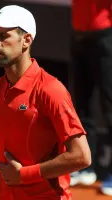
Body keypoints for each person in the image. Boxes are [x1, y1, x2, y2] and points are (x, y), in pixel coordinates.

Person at [0, 5, 91, 200]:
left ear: (26, 40)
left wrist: (23, 175)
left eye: (4, 36)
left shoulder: (51, 90)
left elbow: (81, 156)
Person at [70, 0, 112, 196]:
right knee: (81, 105)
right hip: (79, 35)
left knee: (110, 107)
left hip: (106, 36)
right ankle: (85, 166)